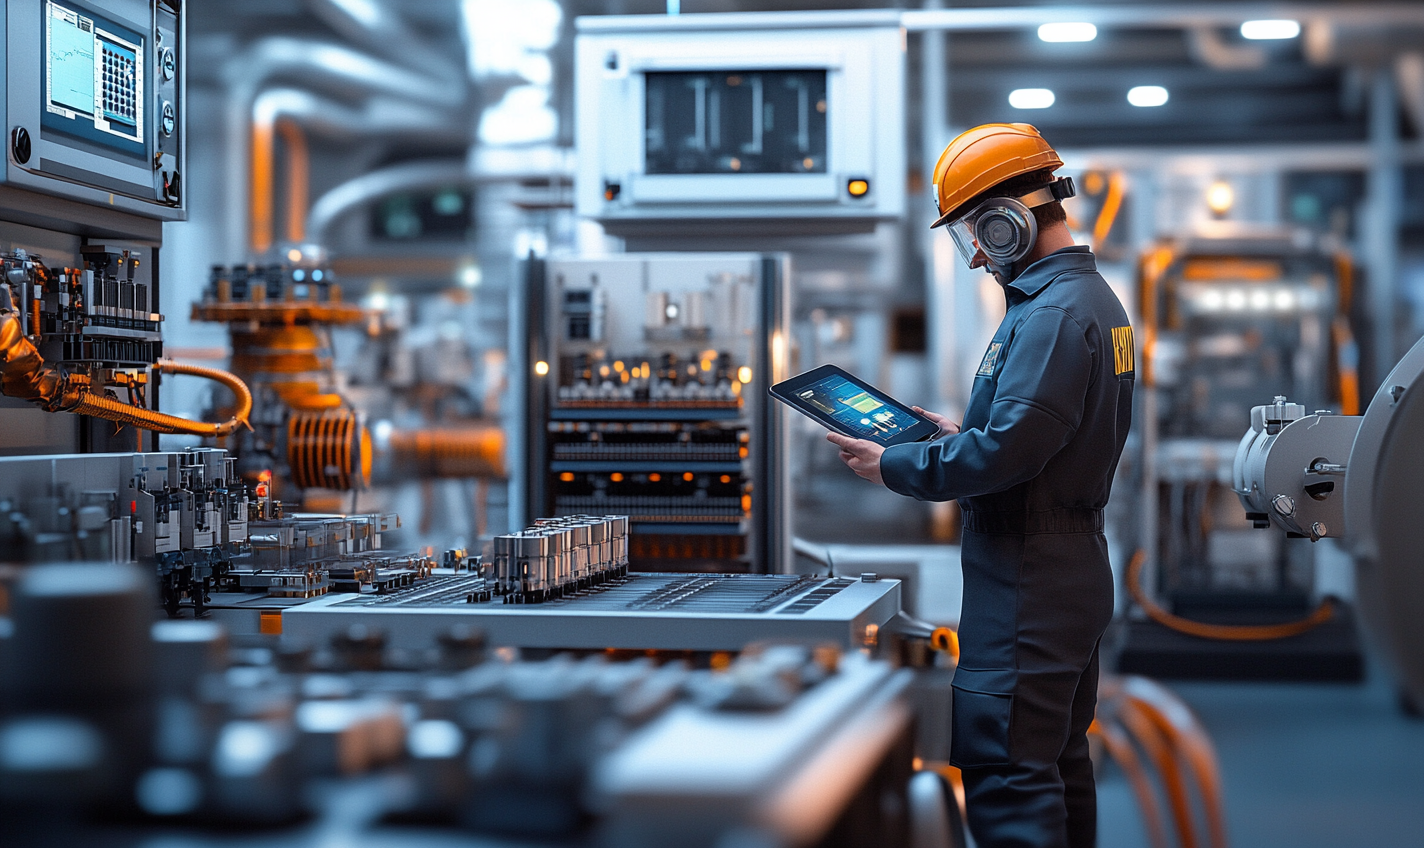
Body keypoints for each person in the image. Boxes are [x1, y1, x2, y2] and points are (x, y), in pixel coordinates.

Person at [827, 123, 1135, 848]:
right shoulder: (1076, 303)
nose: (973, 252)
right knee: (1054, 765)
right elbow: (1028, 434)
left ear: (1009, 220)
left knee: (1010, 777)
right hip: (1058, 570)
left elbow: (1008, 454)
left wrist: (894, 463)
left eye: (974, 229)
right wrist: (948, 433)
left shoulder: (1054, 314)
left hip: (1029, 576)